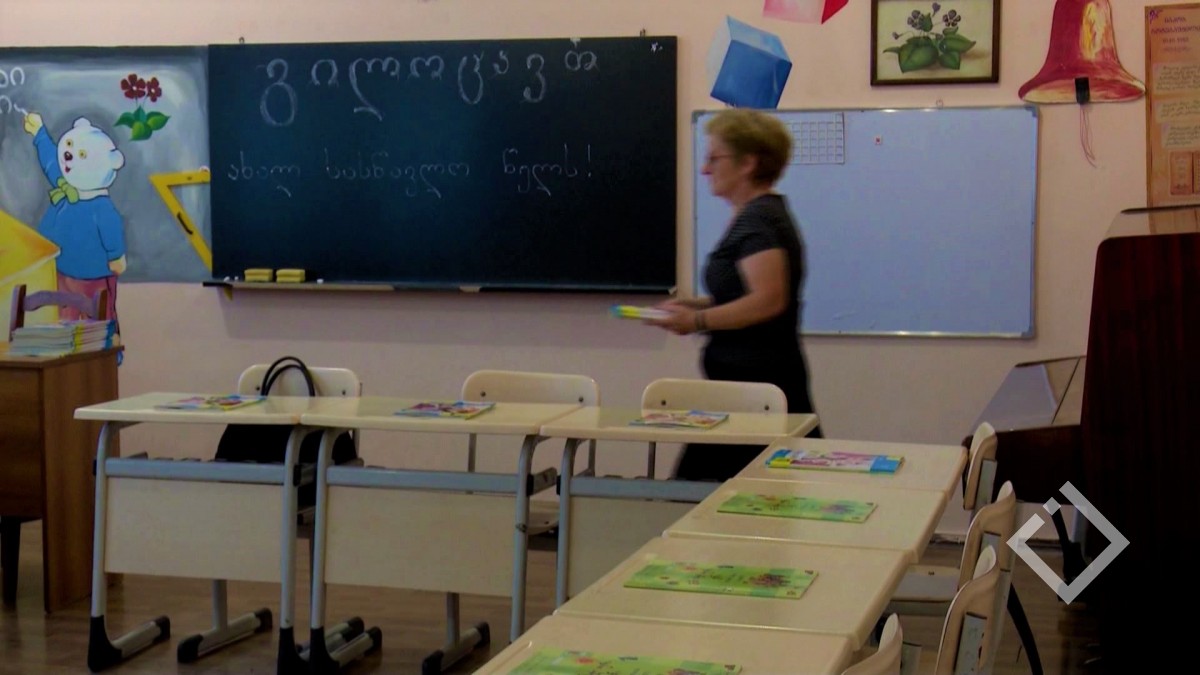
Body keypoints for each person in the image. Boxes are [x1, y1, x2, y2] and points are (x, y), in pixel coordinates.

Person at [647, 108, 821, 482]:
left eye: (714, 158)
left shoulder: (758, 219)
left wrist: (696, 320)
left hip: (757, 390)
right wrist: (694, 305)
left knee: (698, 499)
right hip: (744, 389)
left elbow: (768, 300)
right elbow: (745, 293)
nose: (704, 169)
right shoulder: (758, 215)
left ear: (748, 163)